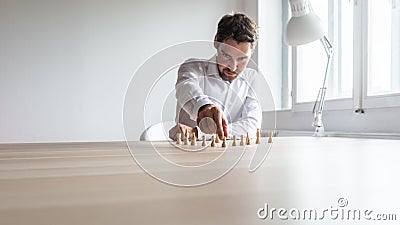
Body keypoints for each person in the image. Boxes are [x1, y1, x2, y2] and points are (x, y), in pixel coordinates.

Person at [169, 12, 262, 140]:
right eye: (227, 56)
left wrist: (198, 133)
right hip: (189, 154)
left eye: (242, 59)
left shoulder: (251, 78)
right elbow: (185, 89)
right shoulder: (192, 67)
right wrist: (204, 107)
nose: (233, 67)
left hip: (231, 154)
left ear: (252, 51)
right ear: (216, 42)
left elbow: (252, 125)